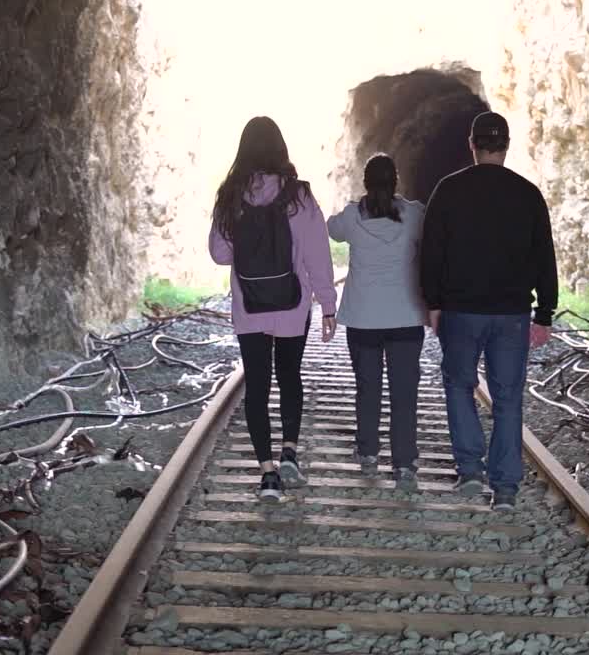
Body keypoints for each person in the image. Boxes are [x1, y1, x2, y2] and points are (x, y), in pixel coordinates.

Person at [419, 111, 558, 512]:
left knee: (459, 385)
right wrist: (544, 312)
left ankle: (470, 471)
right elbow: (544, 256)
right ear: (507, 145)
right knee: (509, 398)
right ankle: (506, 489)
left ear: (472, 144)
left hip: (462, 311)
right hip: (512, 313)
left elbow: (432, 252)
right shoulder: (528, 194)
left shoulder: (448, 190)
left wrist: (434, 303)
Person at [209, 116, 337, 502]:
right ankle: (290, 452)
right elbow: (318, 254)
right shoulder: (298, 196)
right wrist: (328, 305)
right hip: (293, 306)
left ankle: (267, 475)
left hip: (250, 306)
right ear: (281, 149)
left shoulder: (231, 194)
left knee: (258, 388)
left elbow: (218, 253)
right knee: (290, 377)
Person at [327, 154, 428, 493]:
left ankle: (368, 451)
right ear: (396, 181)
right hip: (405, 317)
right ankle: (404, 464)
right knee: (404, 394)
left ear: (366, 182)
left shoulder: (353, 217)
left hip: (364, 319)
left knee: (367, 388)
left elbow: (330, 229)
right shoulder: (414, 214)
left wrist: (354, 204)